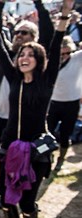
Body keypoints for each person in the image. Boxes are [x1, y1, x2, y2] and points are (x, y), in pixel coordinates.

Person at [0, 0, 72, 218]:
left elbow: (56, 42)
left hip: (36, 149)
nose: (24, 57)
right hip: (9, 145)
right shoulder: (13, 78)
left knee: (27, 201)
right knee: (5, 196)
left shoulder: (47, 80)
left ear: (39, 59)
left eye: (29, 55)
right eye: (21, 54)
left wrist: (64, 13)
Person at [0, 0, 55, 210]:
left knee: (7, 160)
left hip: (16, 124)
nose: (18, 35)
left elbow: (50, 35)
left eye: (24, 32)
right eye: (17, 32)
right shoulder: (9, 59)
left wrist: (40, 6)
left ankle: (3, 195)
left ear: (34, 40)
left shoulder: (35, 66)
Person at [47, 36, 81, 171]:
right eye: (62, 53)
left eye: (67, 53)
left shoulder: (77, 58)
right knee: (48, 131)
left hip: (71, 102)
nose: (65, 56)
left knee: (65, 134)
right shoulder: (52, 60)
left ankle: (61, 158)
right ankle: (49, 155)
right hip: (54, 102)